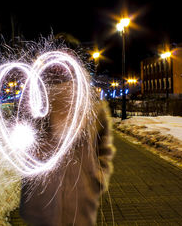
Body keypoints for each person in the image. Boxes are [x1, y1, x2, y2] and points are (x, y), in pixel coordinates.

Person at [20, 80, 116, 226]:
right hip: (41, 198)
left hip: (81, 195)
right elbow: (24, 143)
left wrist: (97, 177)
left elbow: (104, 148)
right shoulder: (35, 102)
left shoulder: (93, 105)